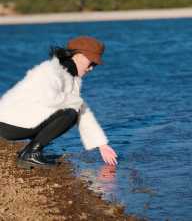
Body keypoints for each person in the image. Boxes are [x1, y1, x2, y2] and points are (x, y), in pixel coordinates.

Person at [0, 36, 118, 168]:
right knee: (70, 113)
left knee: (72, 110)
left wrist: (102, 145)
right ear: (79, 55)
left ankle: (29, 151)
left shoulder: (67, 72)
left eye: (95, 65)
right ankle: (31, 154)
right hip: (8, 125)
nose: (91, 68)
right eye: (92, 63)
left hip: (10, 123)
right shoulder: (60, 71)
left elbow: (82, 110)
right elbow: (47, 97)